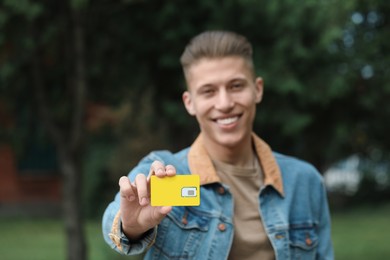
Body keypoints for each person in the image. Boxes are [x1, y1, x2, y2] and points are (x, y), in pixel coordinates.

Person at [102, 30, 334, 259]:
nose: (224, 103)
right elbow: (116, 221)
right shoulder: (163, 173)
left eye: (236, 86)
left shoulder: (305, 181)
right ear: (190, 102)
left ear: (258, 89)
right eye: (208, 91)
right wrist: (131, 226)